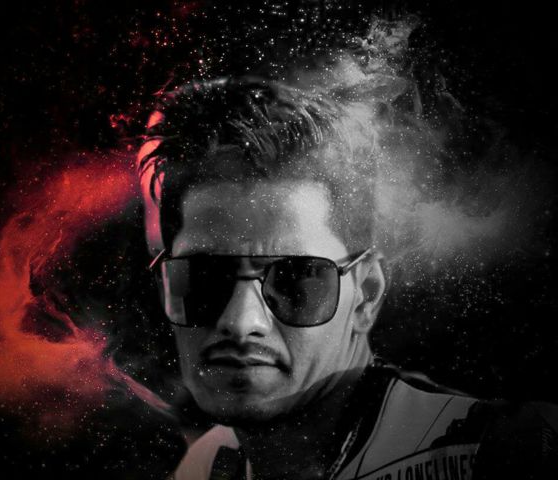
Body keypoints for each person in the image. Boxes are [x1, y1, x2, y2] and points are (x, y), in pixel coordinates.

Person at [136, 53, 558, 479]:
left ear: (366, 294)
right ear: (166, 287)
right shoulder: (205, 466)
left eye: (295, 279)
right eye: (205, 279)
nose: (241, 322)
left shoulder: (506, 451)